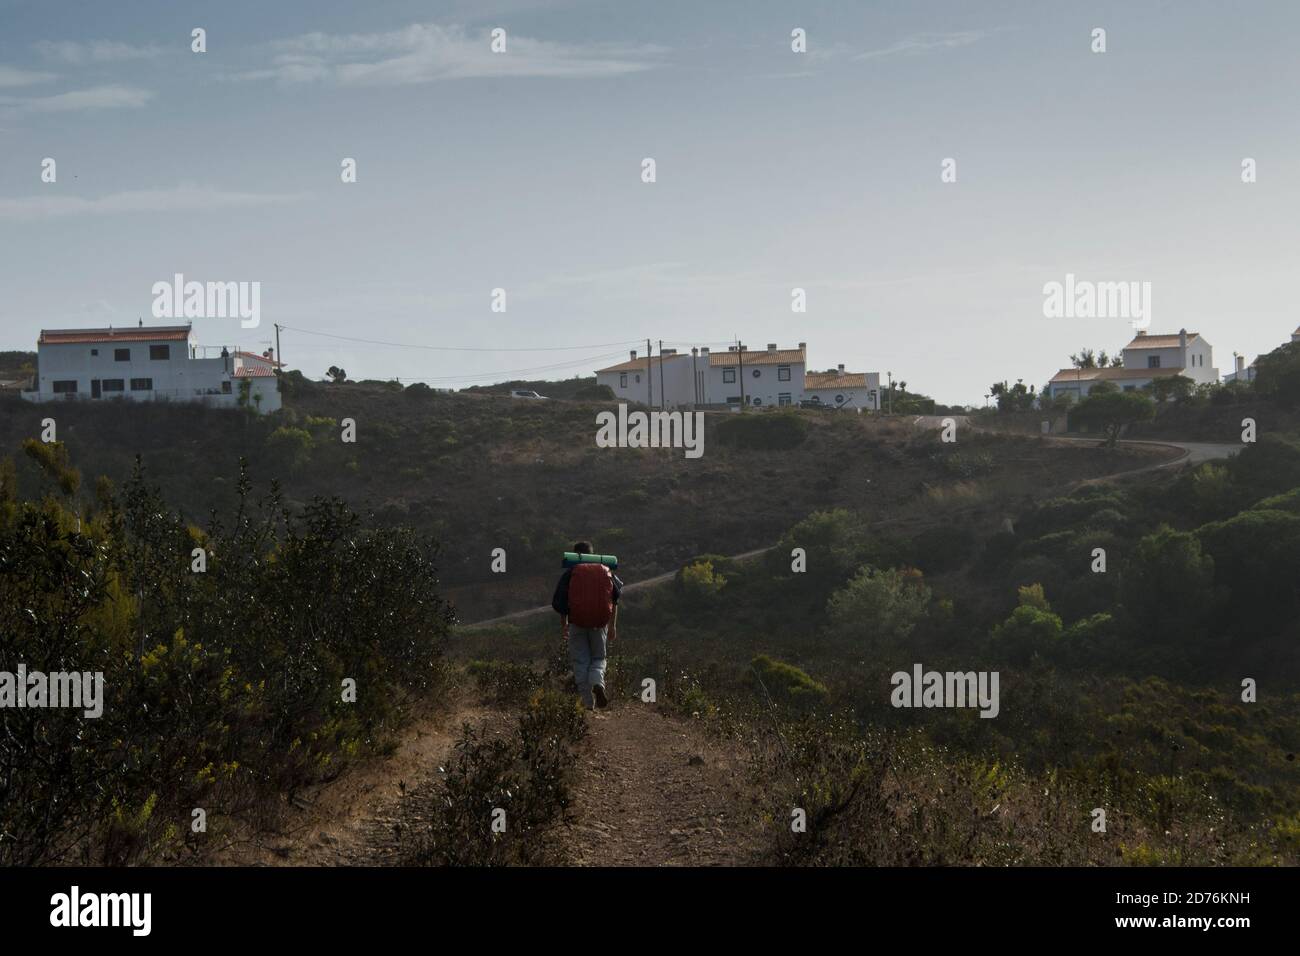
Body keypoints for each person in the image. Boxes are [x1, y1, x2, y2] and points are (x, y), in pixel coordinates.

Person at [551, 540, 622, 710]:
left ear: (575, 555)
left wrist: (564, 623)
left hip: (577, 623)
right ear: (592, 553)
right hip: (600, 623)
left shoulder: (571, 572)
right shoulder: (606, 570)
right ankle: (598, 682)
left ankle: (587, 702)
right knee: (599, 658)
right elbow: (615, 599)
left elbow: (560, 601)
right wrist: (612, 626)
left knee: (580, 660)